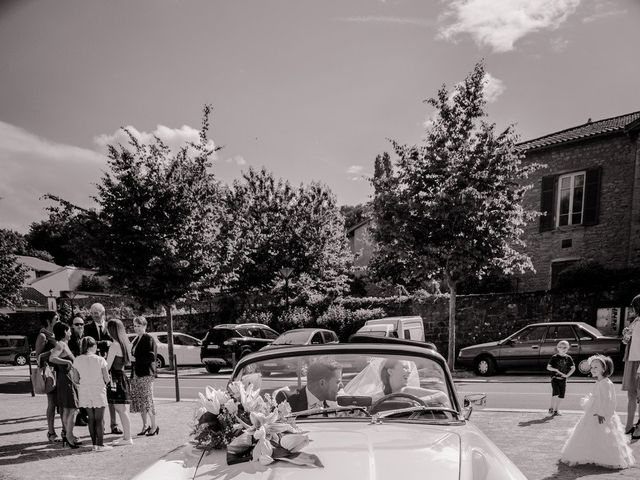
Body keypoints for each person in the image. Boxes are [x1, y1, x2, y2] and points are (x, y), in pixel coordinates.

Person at [560, 355, 635, 469]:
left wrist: (602, 413)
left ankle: (606, 457)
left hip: (602, 414)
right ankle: (589, 454)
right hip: (593, 412)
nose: (592, 369)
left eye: (596, 367)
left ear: (604, 369)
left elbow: (609, 401)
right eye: (591, 367)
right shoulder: (599, 382)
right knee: (588, 433)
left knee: (604, 435)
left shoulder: (606, 383)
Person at [84, 303, 121, 435]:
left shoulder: (111, 326)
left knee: (111, 396)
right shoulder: (87, 327)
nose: (93, 315)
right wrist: (104, 343)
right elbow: (87, 343)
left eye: (96, 312)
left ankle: (114, 424)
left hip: (109, 365)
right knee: (98, 396)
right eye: (92, 313)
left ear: (103, 313)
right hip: (93, 366)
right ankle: (101, 426)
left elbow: (116, 342)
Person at [73, 336, 112, 451]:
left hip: (85, 391)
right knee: (99, 419)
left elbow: (75, 379)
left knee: (91, 419)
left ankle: (94, 444)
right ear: (93, 346)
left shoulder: (77, 360)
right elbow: (107, 378)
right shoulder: (100, 359)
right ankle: (100, 445)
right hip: (98, 390)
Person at [48, 322, 80, 448]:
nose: (71, 332)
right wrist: (67, 361)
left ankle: (67, 435)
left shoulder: (63, 344)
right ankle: (69, 437)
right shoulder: (61, 344)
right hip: (66, 379)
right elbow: (52, 358)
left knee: (67, 409)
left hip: (65, 378)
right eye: (69, 330)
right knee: (72, 409)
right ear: (65, 332)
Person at [34, 311, 61, 442]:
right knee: (52, 403)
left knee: (61, 403)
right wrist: (54, 351)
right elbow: (38, 358)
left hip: (60, 371)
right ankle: (51, 432)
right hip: (50, 374)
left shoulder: (55, 334)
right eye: (56, 318)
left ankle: (64, 430)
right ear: (49, 321)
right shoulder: (43, 336)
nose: (58, 320)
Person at [129, 316, 159, 437]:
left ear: (145, 326)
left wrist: (136, 359)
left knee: (147, 400)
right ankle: (145, 425)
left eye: (139, 326)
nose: (137, 328)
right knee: (141, 401)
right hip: (136, 373)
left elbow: (152, 357)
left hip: (146, 373)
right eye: (135, 326)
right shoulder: (137, 339)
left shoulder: (148, 338)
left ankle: (154, 426)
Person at [106, 318, 133, 446]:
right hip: (121, 376)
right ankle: (126, 436)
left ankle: (127, 438)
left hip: (116, 378)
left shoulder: (114, 345)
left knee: (120, 409)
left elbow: (107, 365)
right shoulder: (124, 343)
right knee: (122, 409)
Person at [277, 361, 343, 412]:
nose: (341, 386)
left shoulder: (339, 404)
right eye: (337, 382)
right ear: (322, 383)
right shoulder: (288, 401)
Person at [622, 294, 640, 435]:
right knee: (631, 394)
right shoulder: (635, 321)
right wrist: (627, 335)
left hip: (638, 360)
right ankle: (629, 426)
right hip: (631, 359)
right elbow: (627, 340)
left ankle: (637, 427)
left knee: (636, 394)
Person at [68, 316, 89, 426]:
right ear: (72, 326)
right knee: (78, 394)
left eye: (81, 324)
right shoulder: (70, 339)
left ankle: (84, 415)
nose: (80, 326)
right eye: (77, 324)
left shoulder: (86, 337)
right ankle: (79, 417)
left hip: (86, 369)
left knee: (85, 392)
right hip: (76, 369)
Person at [546, 340, 575, 416]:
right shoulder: (554, 357)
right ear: (557, 348)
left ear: (568, 348)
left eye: (565, 347)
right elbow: (548, 367)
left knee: (561, 395)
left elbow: (573, 368)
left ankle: (556, 410)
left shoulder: (568, 358)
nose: (563, 349)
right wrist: (555, 369)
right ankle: (551, 408)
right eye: (561, 347)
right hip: (555, 378)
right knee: (556, 393)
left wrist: (567, 375)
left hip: (563, 379)